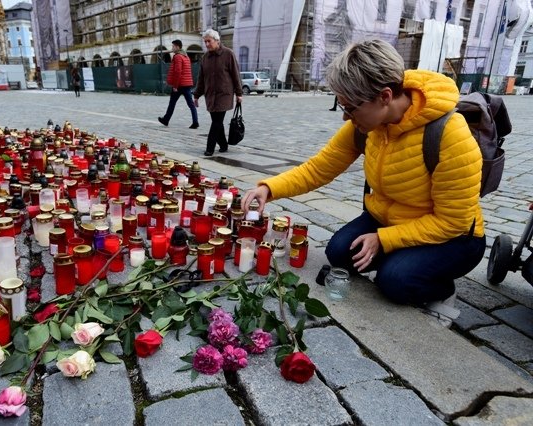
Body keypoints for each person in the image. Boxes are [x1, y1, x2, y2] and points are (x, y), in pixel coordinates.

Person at [241, 39, 486, 324]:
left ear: (384, 96)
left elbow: (453, 222)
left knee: (394, 281)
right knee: (338, 253)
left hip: (452, 238)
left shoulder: (449, 134)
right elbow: (318, 168)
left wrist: (383, 239)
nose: (345, 115)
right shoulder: (367, 125)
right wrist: (268, 188)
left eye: (350, 107)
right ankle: (396, 260)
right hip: (386, 218)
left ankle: (439, 286)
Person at [193, 29, 242, 157]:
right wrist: (197, 95)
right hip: (210, 95)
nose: (207, 44)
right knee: (217, 122)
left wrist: (239, 93)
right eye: (205, 42)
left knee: (216, 122)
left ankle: (210, 148)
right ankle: (224, 145)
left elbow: (235, 75)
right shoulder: (205, 58)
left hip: (224, 94)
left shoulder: (228, 54)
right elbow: (201, 78)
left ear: (217, 41)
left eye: (209, 41)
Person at [158, 39, 199, 129]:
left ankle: (166, 120)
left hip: (179, 84)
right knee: (191, 104)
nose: (172, 48)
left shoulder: (177, 57)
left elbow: (177, 72)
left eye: (173, 46)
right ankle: (195, 122)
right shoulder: (186, 56)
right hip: (187, 84)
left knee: (172, 103)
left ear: (177, 47)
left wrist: (175, 86)